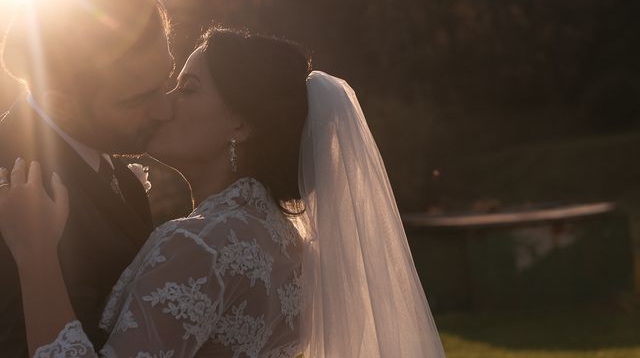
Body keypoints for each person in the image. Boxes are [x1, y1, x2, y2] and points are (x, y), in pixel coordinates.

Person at [0, 28, 446, 357]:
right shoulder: (287, 243)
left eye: (188, 89)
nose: (165, 103)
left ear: (240, 124)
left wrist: (36, 254)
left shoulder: (199, 244)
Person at [0, 0, 174, 356]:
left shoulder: (118, 175)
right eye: (138, 99)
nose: (165, 110)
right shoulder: (13, 187)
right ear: (58, 102)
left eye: (167, 81)